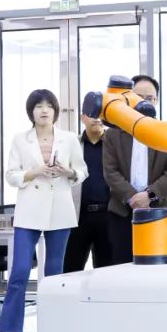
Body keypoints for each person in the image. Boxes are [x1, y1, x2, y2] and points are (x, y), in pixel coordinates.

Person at [0, 89, 86, 332]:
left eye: (48, 106)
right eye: (38, 106)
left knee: (55, 275)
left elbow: (82, 171)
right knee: (20, 272)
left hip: (59, 209)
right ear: (31, 111)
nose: (44, 110)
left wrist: (68, 172)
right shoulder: (20, 140)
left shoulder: (69, 138)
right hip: (29, 210)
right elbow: (11, 175)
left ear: (55, 111)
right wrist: (35, 172)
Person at [102, 74, 167, 265]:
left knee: (158, 269)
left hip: (158, 213)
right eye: (138, 97)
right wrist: (133, 198)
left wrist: (149, 195)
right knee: (122, 266)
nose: (143, 102)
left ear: (156, 101)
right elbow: (110, 172)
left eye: (149, 98)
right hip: (121, 214)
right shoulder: (112, 134)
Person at [64, 112, 114, 271]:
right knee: (70, 269)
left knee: (107, 271)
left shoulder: (114, 144)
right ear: (82, 117)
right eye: (92, 114)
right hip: (78, 216)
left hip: (108, 216)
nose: (97, 119)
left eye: (100, 115)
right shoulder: (73, 144)